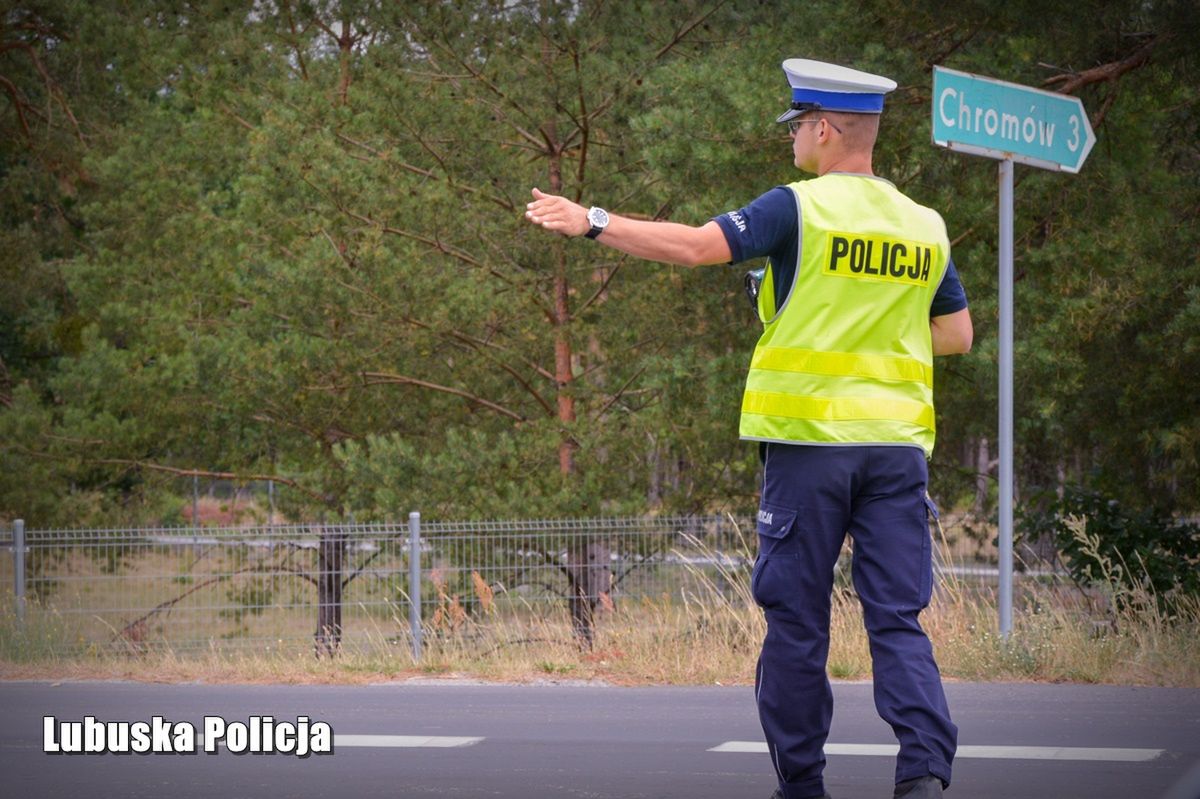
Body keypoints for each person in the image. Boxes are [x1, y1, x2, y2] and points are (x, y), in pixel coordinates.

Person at [524, 58, 970, 799]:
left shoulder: (798, 207)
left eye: (799, 125)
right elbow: (955, 334)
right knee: (898, 619)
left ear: (825, 129)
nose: (794, 138)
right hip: (895, 451)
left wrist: (592, 221)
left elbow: (697, 246)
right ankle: (922, 773)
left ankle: (802, 785)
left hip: (807, 450)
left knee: (797, 624)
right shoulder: (924, 225)